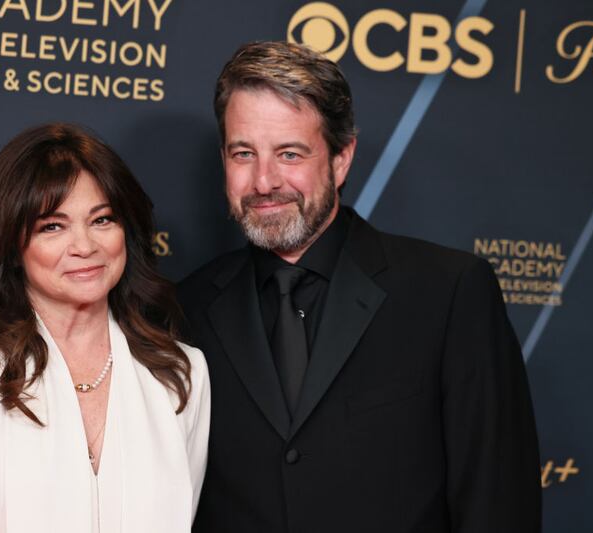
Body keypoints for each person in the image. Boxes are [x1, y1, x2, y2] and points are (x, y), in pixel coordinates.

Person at [178, 41, 541, 532]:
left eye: (289, 153)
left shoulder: (449, 292)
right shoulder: (186, 307)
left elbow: (498, 504)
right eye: (244, 153)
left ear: (341, 158)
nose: (263, 181)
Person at [0, 123, 210, 533]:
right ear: (11, 245)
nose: (85, 246)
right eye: (52, 227)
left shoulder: (181, 374)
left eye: (102, 219)